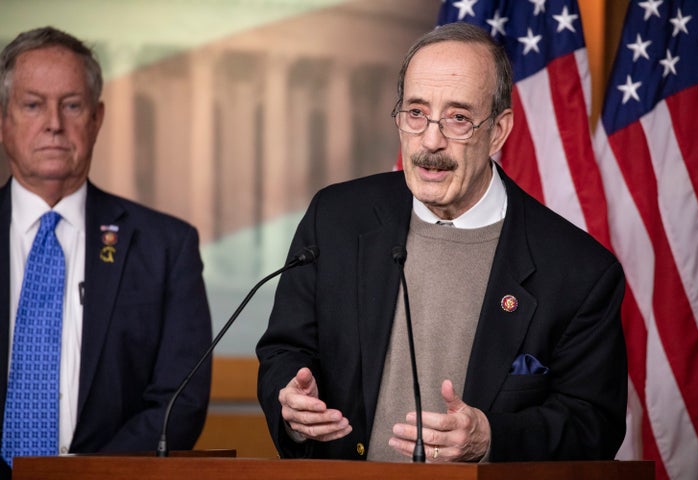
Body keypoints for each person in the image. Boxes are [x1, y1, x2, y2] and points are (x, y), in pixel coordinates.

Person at [256, 22, 627, 463]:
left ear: (499, 131)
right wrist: (292, 403)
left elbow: (594, 424)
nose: (431, 141)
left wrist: (492, 437)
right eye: (416, 112)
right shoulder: (336, 219)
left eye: (458, 118)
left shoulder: (577, 270)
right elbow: (285, 350)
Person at [0, 26, 212, 473]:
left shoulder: (166, 247)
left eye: (71, 105)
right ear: (4, 120)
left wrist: (88, 474)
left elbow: (180, 403)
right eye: (33, 105)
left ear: (96, 119)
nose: (54, 123)